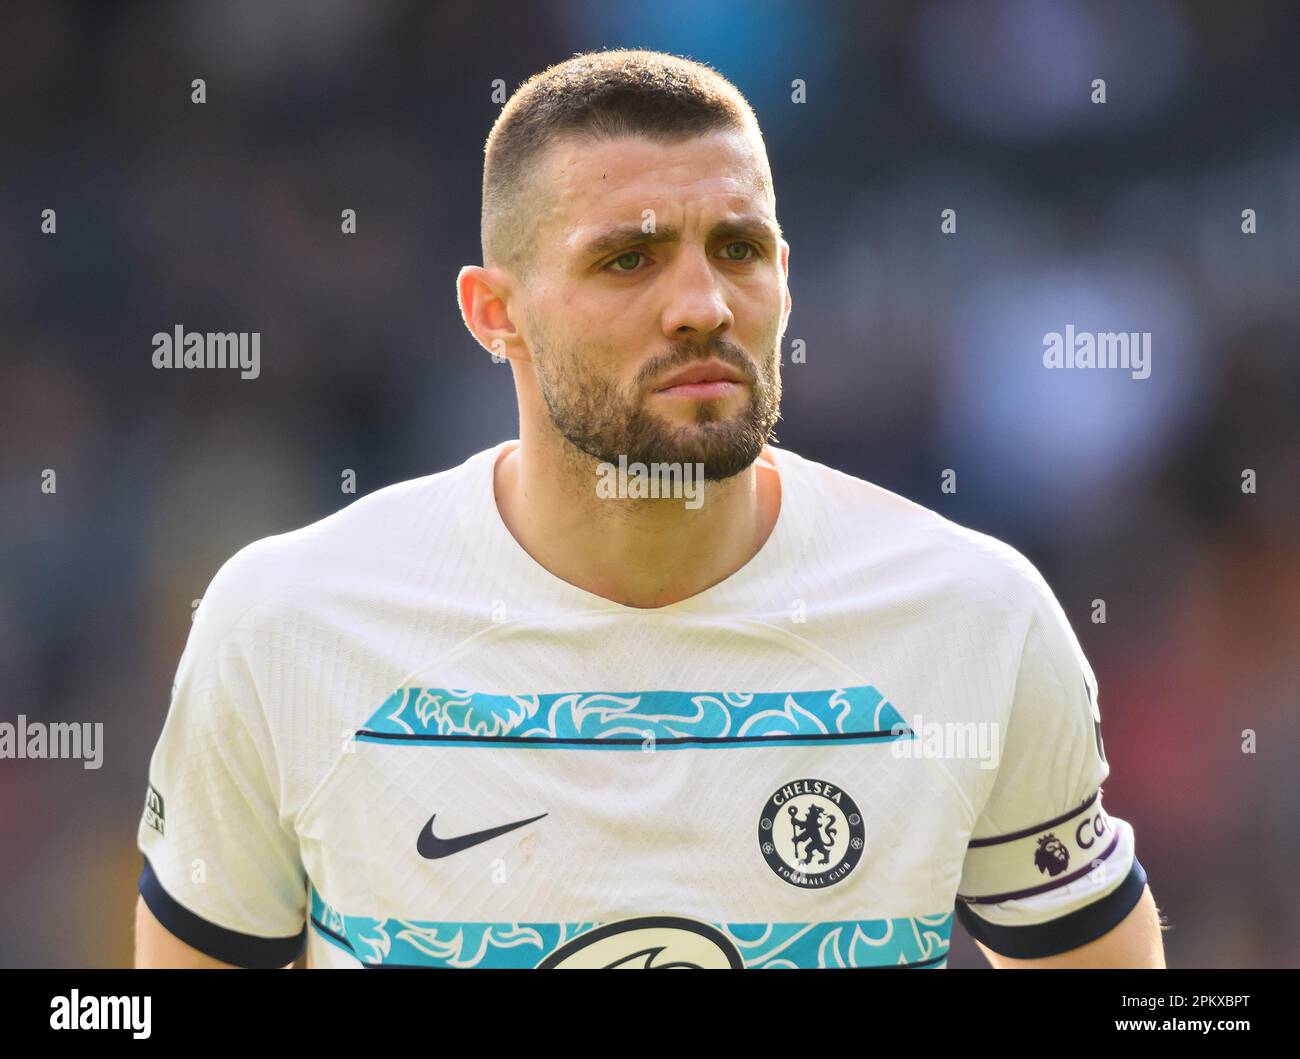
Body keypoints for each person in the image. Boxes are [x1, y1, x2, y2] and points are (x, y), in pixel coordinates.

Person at [135, 48, 1164, 969]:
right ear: (495, 315)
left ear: (785, 279)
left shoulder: (971, 616)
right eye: (627, 258)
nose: (703, 305)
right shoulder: (288, 623)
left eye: (738, 249)